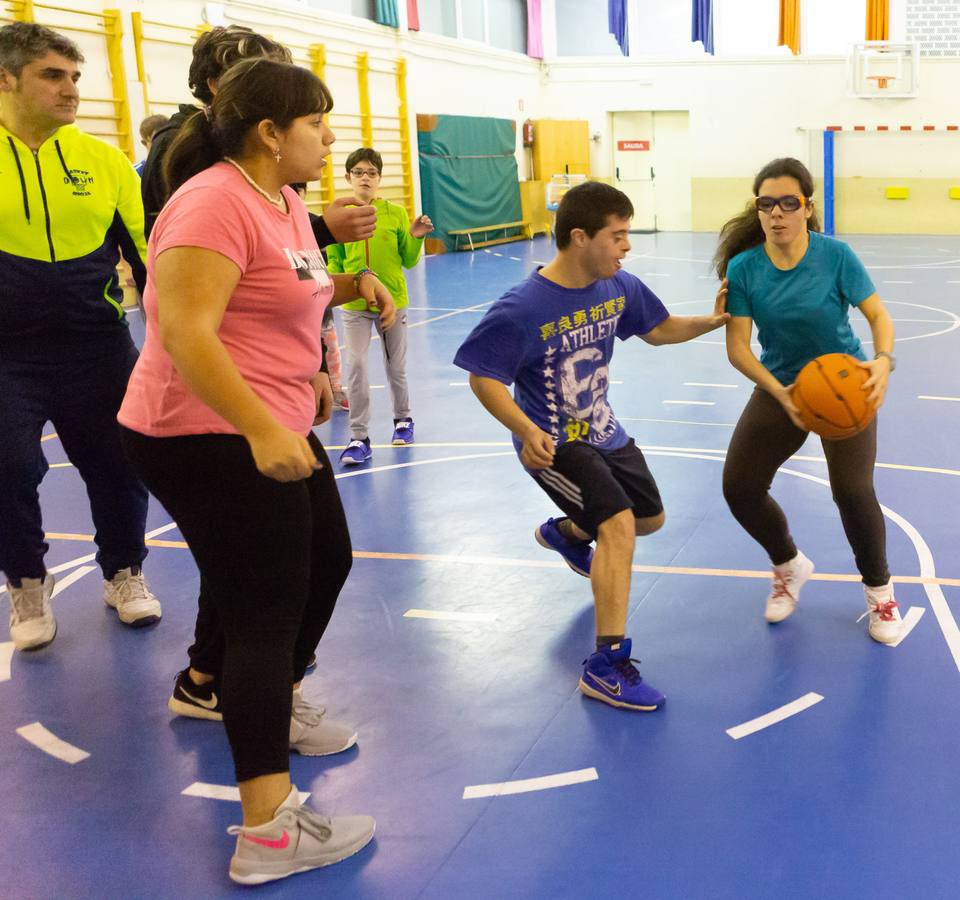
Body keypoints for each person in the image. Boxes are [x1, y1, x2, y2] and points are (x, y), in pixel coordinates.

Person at [117, 57, 389, 884]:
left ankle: (251, 697)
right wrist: (256, 427)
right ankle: (268, 829)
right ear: (271, 133)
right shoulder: (210, 202)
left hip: (267, 420)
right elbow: (187, 332)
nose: (331, 137)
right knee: (262, 612)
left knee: (327, 563)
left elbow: (285, 294)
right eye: (317, 124)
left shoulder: (287, 203)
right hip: (205, 432)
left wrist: (349, 287)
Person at [453, 181, 729, 711]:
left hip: (604, 429)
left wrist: (712, 323)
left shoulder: (616, 286)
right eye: (618, 235)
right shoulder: (522, 307)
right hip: (554, 443)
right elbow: (484, 377)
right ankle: (605, 666)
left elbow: (660, 328)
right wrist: (525, 428)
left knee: (649, 520)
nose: (627, 246)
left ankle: (565, 533)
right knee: (619, 526)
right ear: (579, 237)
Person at [0, 22, 161, 652]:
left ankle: (124, 573)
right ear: (6, 78)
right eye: (52, 75)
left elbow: (149, 256)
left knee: (122, 465)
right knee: (7, 470)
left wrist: (171, 342)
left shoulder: (105, 161)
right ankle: (27, 583)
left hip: (97, 347)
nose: (70, 90)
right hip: (6, 356)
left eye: (75, 77)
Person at [716, 157, 900, 643]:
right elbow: (737, 347)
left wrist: (882, 360)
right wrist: (781, 392)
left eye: (788, 203)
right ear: (757, 209)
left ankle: (880, 593)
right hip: (782, 386)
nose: (777, 213)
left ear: (807, 207)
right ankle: (789, 564)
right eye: (766, 204)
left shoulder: (835, 256)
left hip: (844, 385)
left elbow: (879, 315)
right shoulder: (745, 267)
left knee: (852, 492)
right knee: (739, 486)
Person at [140, 25, 376, 250]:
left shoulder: (277, 172)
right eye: (264, 78)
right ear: (217, 85)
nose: (279, 89)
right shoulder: (190, 154)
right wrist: (323, 230)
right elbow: (229, 244)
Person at [327, 147, 433, 464]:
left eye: (372, 173)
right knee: (356, 367)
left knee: (395, 367)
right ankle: (359, 438)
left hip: (393, 304)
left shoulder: (395, 214)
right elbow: (334, 263)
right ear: (348, 177)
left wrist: (415, 237)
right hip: (354, 306)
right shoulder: (338, 217)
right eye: (358, 172)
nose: (365, 178)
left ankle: (403, 420)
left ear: (379, 179)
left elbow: (410, 259)